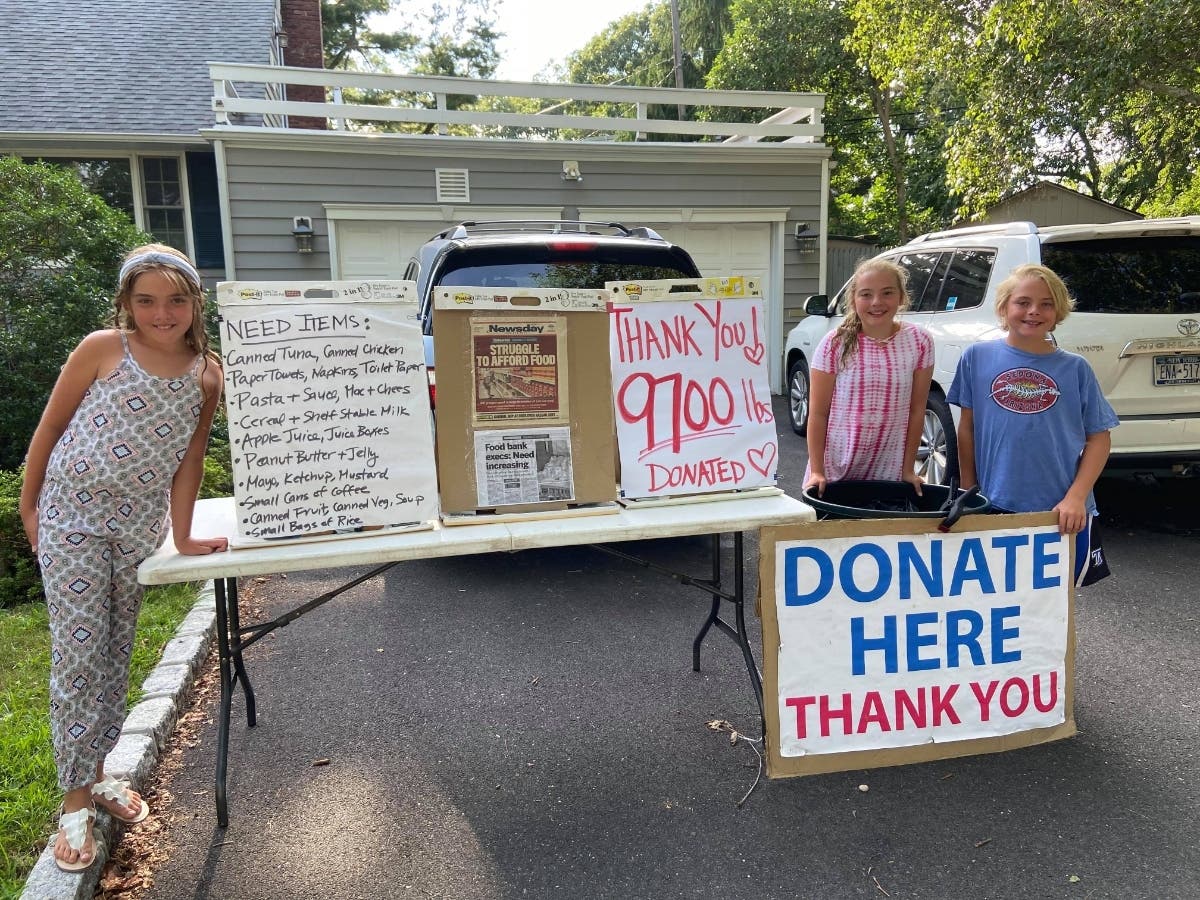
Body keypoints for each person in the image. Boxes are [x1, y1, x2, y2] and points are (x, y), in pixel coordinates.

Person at [19, 244, 229, 871]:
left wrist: (183, 537)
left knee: (114, 651)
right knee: (78, 656)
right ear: (126, 304)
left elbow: (190, 458)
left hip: (137, 528)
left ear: (195, 303)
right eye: (146, 300)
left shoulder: (207, 374)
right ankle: (75, 804)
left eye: (176, 300)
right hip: (72, 519)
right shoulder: (102, 349)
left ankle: (99, 771)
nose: (162, 313)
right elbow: (51, 427)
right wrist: (29, 506)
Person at [948, 263, 1119, 586]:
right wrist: (969, 493)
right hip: (994, 504)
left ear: (1059, 311)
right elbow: (967, 429)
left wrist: (1076, 497)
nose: (1034, 311)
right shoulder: (976, 357)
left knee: (1053, 601)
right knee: (993, 594)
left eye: (1046, 304)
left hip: (1060, 511)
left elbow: (1099, 438)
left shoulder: (1076, 368)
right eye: (1023, 302)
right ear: (1004, 306)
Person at [804, 258, 934, 497]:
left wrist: (907, 470)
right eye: (866, 294)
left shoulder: (920, 341)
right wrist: (817, 471)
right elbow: (818, 414)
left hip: (889, 473)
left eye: (887, 293)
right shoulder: (834, 343)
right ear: (854, 299)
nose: (876, 302)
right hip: (836, 473)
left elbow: (917, 411)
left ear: (901, 297)